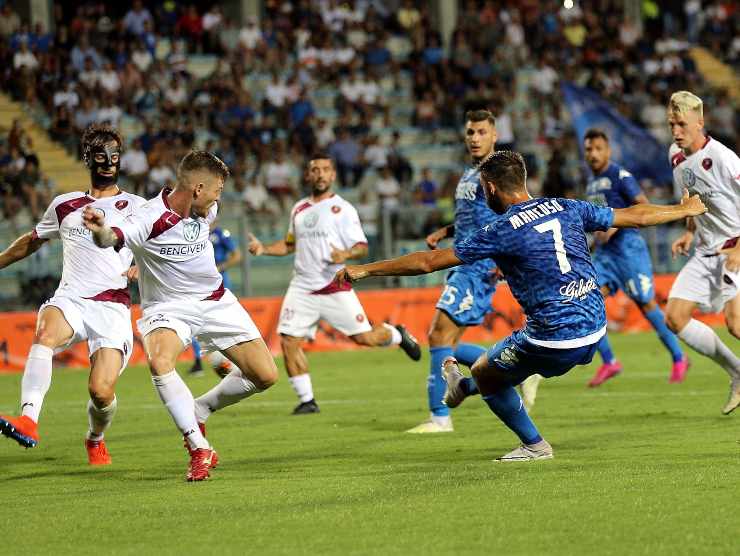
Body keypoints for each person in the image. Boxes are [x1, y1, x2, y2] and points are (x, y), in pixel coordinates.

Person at [335, 150, 706, 460]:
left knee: (485, 372)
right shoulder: (567, 206)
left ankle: (533, 445)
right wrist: (684, 209)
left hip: (553, 338)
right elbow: (636, 217)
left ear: (491, 188)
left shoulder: (502, 230)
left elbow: (427, 262)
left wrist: (365, 270)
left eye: (484, 190)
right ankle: (466, 388)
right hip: (595, 326)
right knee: (499, 365)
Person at [83, 151, 279, 481]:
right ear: (198, 189)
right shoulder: (149, 217)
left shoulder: (207, 210)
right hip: (168, 308)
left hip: (216, 301)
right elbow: (112, 237)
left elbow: (185, 246)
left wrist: (144, 264)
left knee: (265, 376)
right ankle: (198, 446)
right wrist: (100, 230)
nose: (219, 198)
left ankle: (200, 408)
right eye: (217, 190)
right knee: (160, 362)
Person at [0, 124, 146, 465]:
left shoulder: (138, 207)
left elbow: (156, 248)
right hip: (71, 299)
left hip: (113, 308)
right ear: (88, 160)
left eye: (114, 156)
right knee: (45, 333)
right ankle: (29, 420)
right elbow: (33, 240)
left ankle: (95, 438)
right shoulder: (65, 205)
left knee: (101, 391)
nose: (109, 163)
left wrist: (144, 268)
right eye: (101, 157)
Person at [247, 152, 420, 415]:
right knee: (289, 341)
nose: (319, 174)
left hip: (334, 285)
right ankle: (308, 401)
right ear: (308, 175)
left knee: (365, 339)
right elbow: (290, 244)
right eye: (314, 169)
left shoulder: (343, 209)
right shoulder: (299, 209)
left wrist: (346, 255)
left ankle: (396, 333)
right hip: (302, 287)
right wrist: (264, 249)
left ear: (333, 175)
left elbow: (361, 247)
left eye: (325, 169)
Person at [409, 109, 502, 434]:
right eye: (470, 133)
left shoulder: (496, 172)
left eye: (481, 132)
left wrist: (504, 258)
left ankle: (440, 417)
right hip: (461, 261)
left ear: (494, 135)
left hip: (477, 267)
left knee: (437, 335)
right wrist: (444, 232)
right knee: (447, 342)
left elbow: (506, 218)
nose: (474, 138)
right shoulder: (469, 172)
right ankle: (516, 366)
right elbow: (472, 218)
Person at [582, 128, 688, 387]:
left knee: (646, 303)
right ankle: (609, 361)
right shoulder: (591, 182)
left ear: (608, 150)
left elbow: (643, 204)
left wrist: (615, 226)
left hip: (629, 251)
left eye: (598, 148)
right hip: (606, 255)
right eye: (589, 149)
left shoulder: (620, 175)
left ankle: (679, 356)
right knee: (585, 300)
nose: (593, 154)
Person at [663, 91, 740, 414]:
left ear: (700, 123)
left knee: (736, 324)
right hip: (705, 252)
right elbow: (695, 200)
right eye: (672, 124)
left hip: (734, 248)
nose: (676, 131)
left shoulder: (724, 158)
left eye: (682, 124)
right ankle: (737, 373)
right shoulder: (675, 157)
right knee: (674, 318)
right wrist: (689, 231)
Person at [189, 222, 243, 378]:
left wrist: (220, 267)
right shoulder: (194, 232)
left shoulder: (221, 234)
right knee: (194, 322)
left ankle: (232, 357)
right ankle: (198, 361)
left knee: (226, 322)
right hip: (198, 283)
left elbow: (237, 255)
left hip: (220, 282)